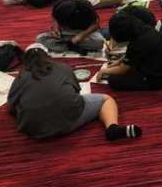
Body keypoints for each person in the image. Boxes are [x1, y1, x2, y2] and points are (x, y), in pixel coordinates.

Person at [8, 43, 141, 141]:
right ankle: (112, 128)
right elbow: (76, 92)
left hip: (34, 130)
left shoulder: (20, 77)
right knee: (106, 100)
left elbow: (12, 106)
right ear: (47, 56)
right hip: (69, 121)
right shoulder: (62, 67)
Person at [96, 14, 162, 91]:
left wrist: (103, 71)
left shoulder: (138, 43)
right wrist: (119, 61)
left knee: (113, 80)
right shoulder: (143, 28)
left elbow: (122, 69)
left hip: (158, 79)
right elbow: (133, 54)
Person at [37, 0, 105, 54]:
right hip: (65, 32)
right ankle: (69, 44)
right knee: (40, 38)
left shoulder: (85, 7)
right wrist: (56, 27)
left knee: (99, 42)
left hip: (85, 31)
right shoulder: (59, 6)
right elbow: (54, 17)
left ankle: (66, 44)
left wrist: (81, 36)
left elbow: (95, 24)